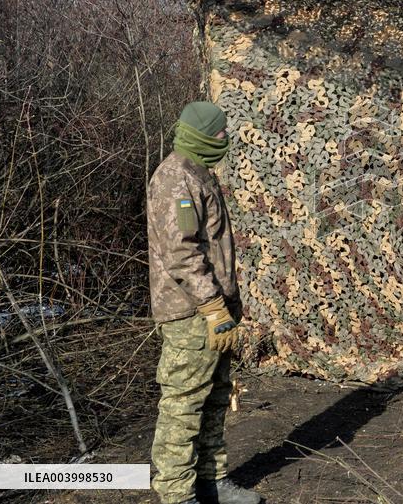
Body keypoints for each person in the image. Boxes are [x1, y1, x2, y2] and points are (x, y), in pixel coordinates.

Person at [147, 101, 260, 504]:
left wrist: (225, 306)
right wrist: (212, 306)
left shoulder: (198, 174)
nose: (225, 139)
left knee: (215, 397)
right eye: (219, 133)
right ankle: (177, 494)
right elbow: (182, 253)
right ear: (200, 136)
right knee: (184, 402)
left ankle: (212, 480)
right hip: (190, 311)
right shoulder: (176, 179)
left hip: (214, 308)